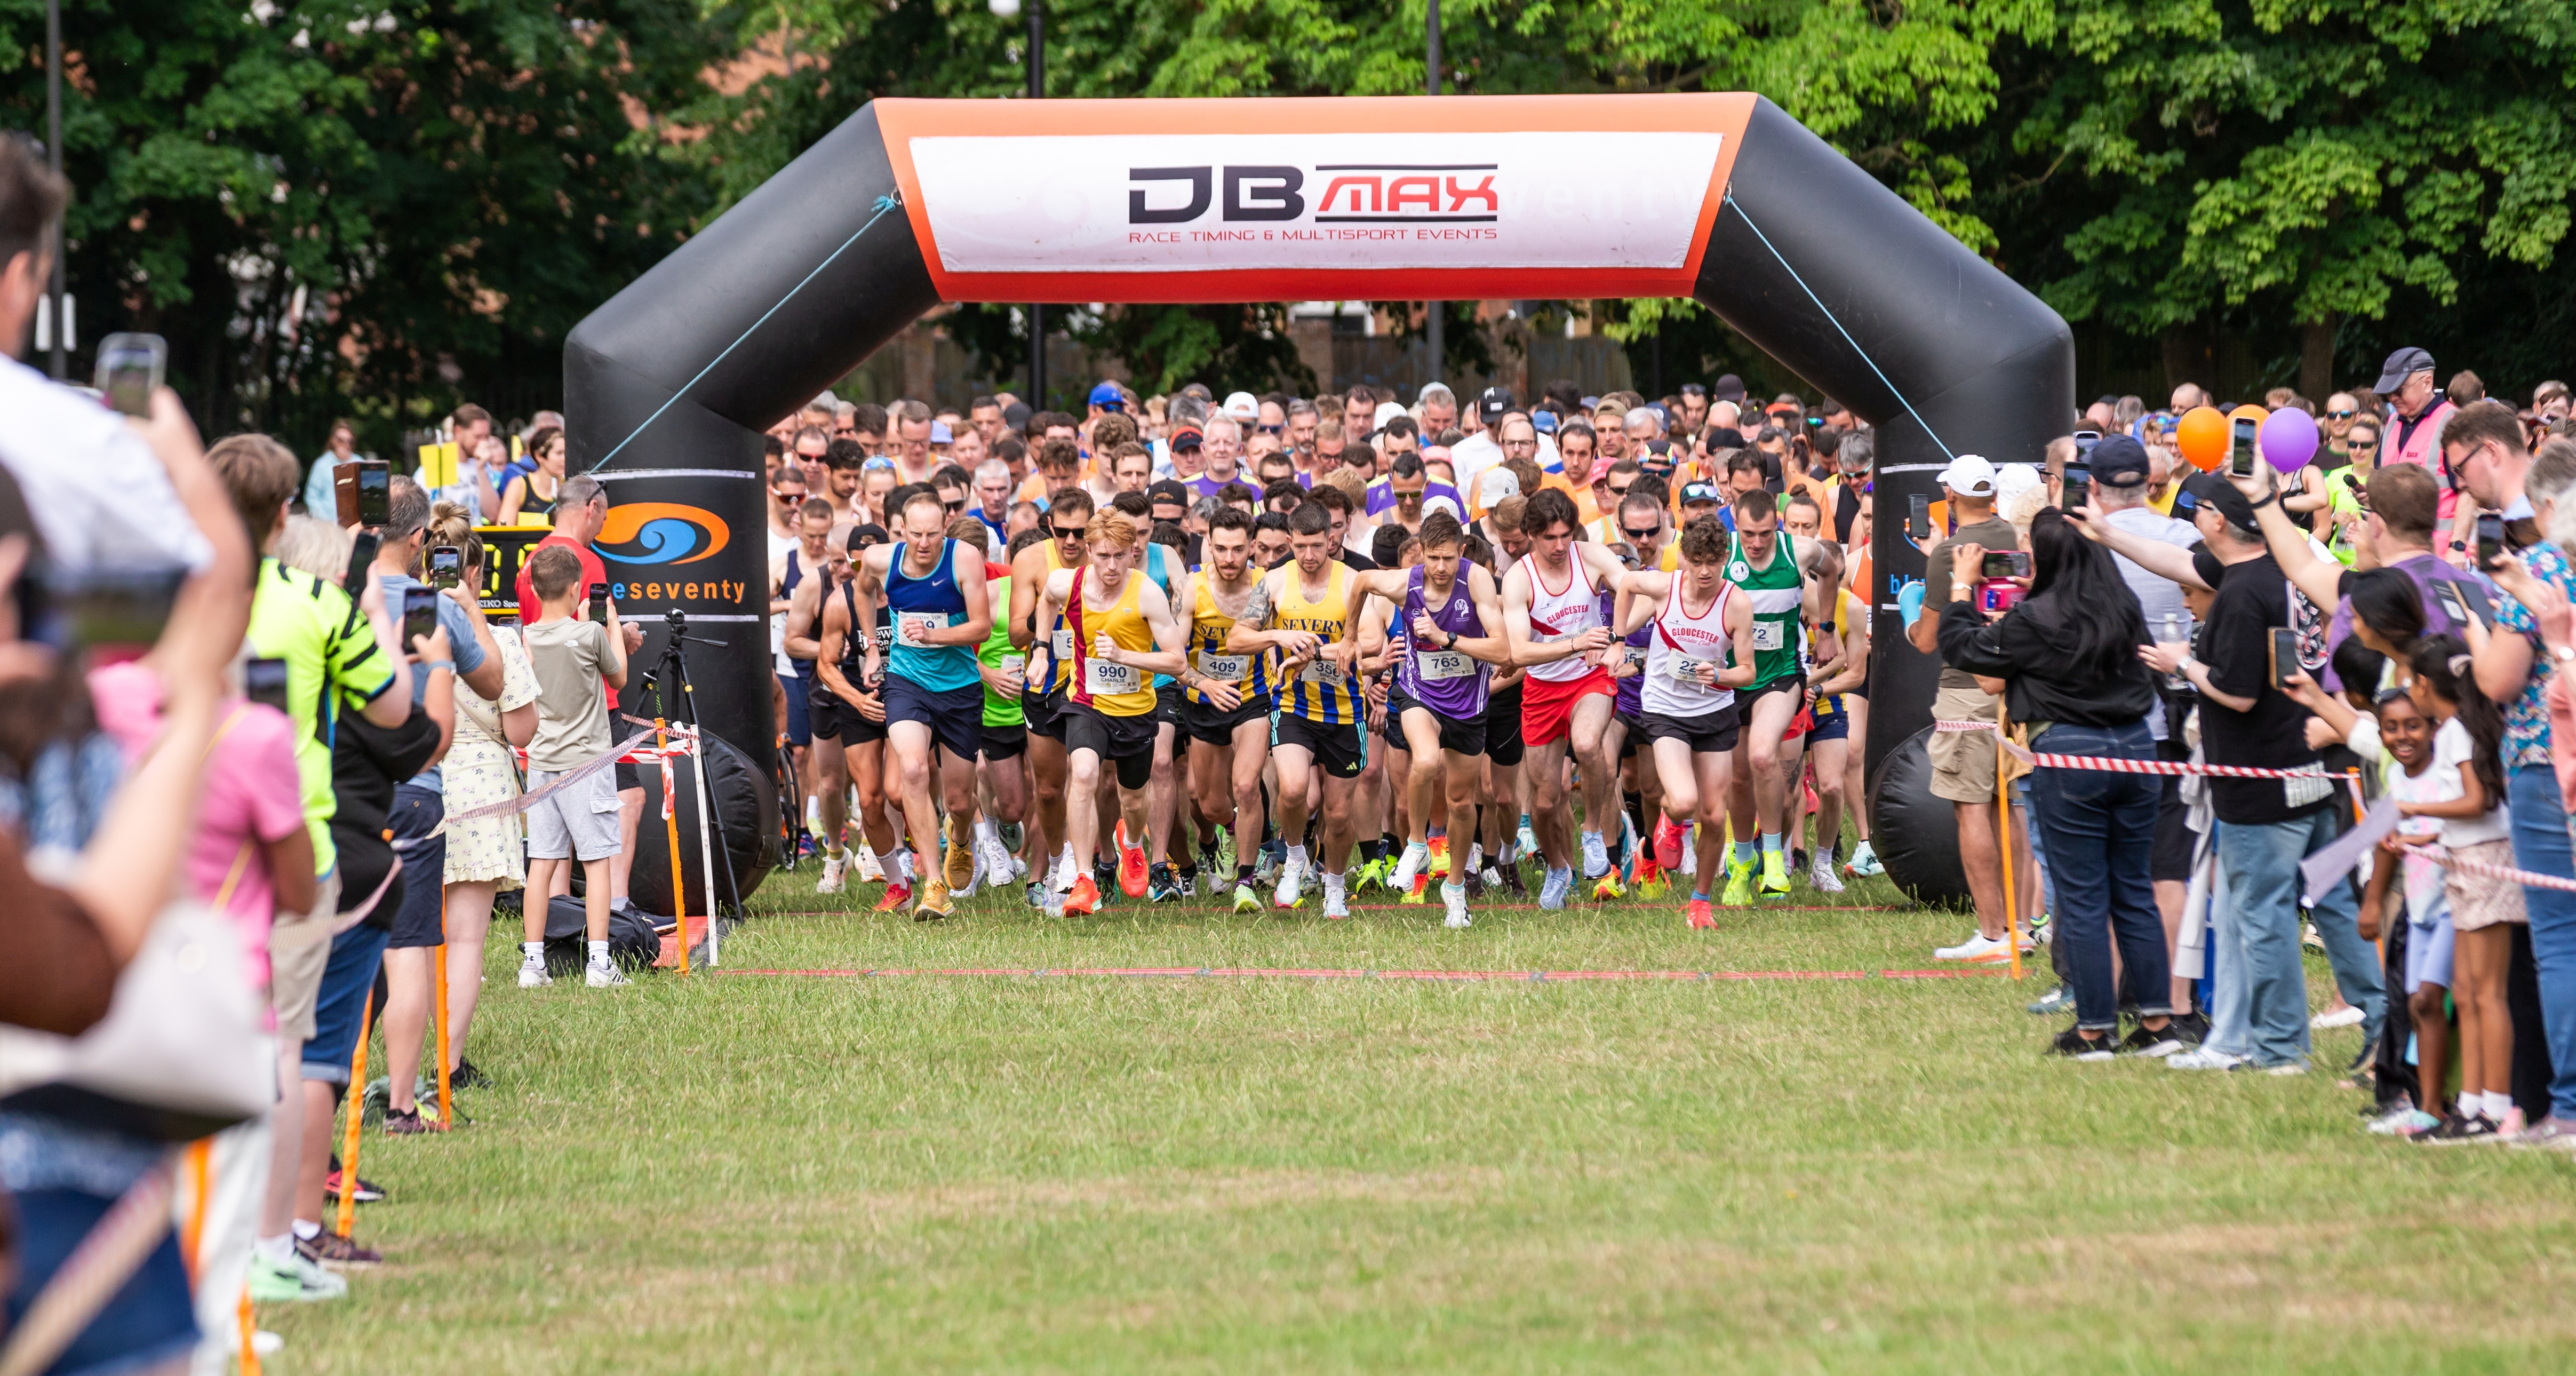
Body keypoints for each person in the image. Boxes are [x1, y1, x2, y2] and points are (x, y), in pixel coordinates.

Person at [1937, 511, 2181, 1058]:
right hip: (2135, 749)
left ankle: (2094, 1028)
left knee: (2084, 896)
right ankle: (2159, 1023)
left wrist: (1960, 585)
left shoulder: (2034, 619)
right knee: (2133, 892)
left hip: (2071, 756)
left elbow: (1964, 649)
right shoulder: (2120, 604)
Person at [2158, 472, 2380, 1072]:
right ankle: (2381, 1018)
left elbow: (2234, 693)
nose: (2194, 517)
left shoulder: (2238, 590)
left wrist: (2184, 665)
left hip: (2257, 775)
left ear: (2218, 523)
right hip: (2307, 765)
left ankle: (2280, 1047)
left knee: (2263, 912)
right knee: (2331, 905)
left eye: (2199, 508)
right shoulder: (2289, 569)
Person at [366, 479, 504, 1136]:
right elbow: (495, 682)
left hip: (342, 790)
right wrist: (467, 611)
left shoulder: (341, 598)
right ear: (420, 539)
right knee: (411, 945)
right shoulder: (427, 605)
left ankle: (330, 1080)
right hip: (416, 787)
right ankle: (402, 1099)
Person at [1339, 510, 1512, 928]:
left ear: (1462, 552)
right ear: (1423, 555)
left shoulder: (1476, 581)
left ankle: (1454, 887)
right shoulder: (1407, 582)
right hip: (1419, 693)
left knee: (1459, 802)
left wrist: (1445, 638)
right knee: (1426, 760)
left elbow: (1503, 650)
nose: (1440, 567)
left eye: (1448, 558)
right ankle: (1416, 843)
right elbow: (1361, 581)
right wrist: (1347, 637)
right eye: (1433, 557)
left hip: (1468, 706)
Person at [2388, 635, 2526, 1138]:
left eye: (2409, 680)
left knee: (2487, 993)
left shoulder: (2458, 731)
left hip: (2486, 863)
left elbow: (2477, 803)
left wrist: (2414, 809)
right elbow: (2463, 810)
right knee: (2465, 992)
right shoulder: (2451, 730)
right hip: (2461, 859)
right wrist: (2425, 833)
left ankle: (2496, 1106)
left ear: (2424, 684)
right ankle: (2469, 1105)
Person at [1033, 509, 1199, 916]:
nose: (1111, 566)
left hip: (1136, 710)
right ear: (1088, 551)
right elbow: (1047, 600)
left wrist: (1125, 655)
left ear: (1133, 552)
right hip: (1087, 702)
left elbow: (1177, 661)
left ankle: (1131, 844)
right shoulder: (1065, 582)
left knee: (1133, 797)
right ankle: (1085, 879)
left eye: (1120, 556)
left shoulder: (1146, 593)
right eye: (1103, 555)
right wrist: (1040, 648)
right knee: (1085, 773)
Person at [422, 510, 536, 1096]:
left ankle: (401, 1058)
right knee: (465, 940)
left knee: (418, 938)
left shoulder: (404, 625)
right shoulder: (500, 640)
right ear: (476, 572)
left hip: (418, 784)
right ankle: (448, 1063)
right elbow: (522, 731)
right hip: (482, 793)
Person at [852, 488, 993, 919]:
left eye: (933, 534)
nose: (924, 543)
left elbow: (982, 627)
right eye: (915, 534)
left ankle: (963, 838)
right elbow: (861, 591)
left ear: (945, 529)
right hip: (907, 681)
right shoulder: (880, 559)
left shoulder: (964, 557)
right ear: (901, 530)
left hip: (960, 688)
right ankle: (933, 886)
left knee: (958, 800)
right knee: (912, 768)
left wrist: (934, 635)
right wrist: (873, 646)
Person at [1228, 504, 1373, 915]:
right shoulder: (1274, 582)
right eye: (1301, 546)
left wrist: (1321, 649)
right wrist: (1279, 636)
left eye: (1317, 545)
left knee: (1339, 813)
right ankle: (1294, 855)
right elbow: (1237, 641)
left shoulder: (1353, 583)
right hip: (1292, 704)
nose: (1309, 555)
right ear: (1289, 541)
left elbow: (1373, 643)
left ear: (1331, 539)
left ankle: (1335, 884)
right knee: (1292, 789)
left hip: (1345, 710)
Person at [1907, 454, 2021, 962]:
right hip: (2018, 685)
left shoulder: (1947, 554)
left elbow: (1929, 639)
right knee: (2014, 805)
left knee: (1970, 805)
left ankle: (1993, 934)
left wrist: (1911, 616)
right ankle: (2026, 925)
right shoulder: (2017, 538)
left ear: (1949, 497)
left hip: (1965, 687)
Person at [1618, 518, 1759, 927]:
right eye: (1696, 561)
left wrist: (1719, 675)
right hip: (1664, 709)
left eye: (1712, 562)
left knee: (1715, 815)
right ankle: (1669, 820)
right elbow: (1627, 585)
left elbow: (1748, 671)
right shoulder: (1666, 587)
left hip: (1713, 710)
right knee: (1683, 800)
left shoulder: (1736, 603)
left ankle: (1700, 902)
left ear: (1725, 560)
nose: (1703, 571)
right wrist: (1616, 640)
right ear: (1684, 559)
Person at [1498, 488, 1631, 907]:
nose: (1559, 546)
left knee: (1590, 743)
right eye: (1549, 538)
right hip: (1542, 688)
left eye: (1565, 535)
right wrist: (1575, 642)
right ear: (1530, 535)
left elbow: (1635, 586)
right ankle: (1559, 867)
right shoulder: (1519, 578)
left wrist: (1618, 640)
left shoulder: (1589, 558)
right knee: (1543, 799)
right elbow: (1519, 652)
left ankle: (1593, 831)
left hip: (1589, 678)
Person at [516, 543, 633, 989]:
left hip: (542, 766)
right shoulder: (589, 635)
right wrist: (612, 623)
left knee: (541, 863)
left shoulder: (526, 636)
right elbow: (618, 675)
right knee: (599, 861)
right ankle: (600, 963)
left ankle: (533, 963)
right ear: (574, 588)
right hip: (586, 764)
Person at [1716, 488, 1828, 903]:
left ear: (1777, 525)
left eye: (1765, 533)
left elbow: (1832, 570)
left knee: (1763, 756)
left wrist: (1829, 628)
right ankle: (1742, 862)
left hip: (1780, 675)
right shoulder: (1722, 553)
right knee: (1739, 777)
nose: (1757, 542)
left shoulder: (1798, 550)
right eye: (1749, 533)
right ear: (1735, 521)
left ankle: (1774, 856)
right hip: (1732, 678)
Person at [1176, 508, 1272, 912]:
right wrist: (1206, 684)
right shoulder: (1192, 587)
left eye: (1238, 549)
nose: (1229, 558)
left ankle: (1247, 881)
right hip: (1204, 699)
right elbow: (1174, 657)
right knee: (1210, 803)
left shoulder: (1267, 584)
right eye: (1221, 549)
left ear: (1252, 547)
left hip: (1252, 697)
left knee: (1247, 786)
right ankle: (1229, 831)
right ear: (1207, 545)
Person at [498, 425, 565, 524]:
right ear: (539, 456)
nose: (564, 458)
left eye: (566, 453)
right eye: (559, 453)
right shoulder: (519, 485)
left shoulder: (570, 485)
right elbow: (503, 528)